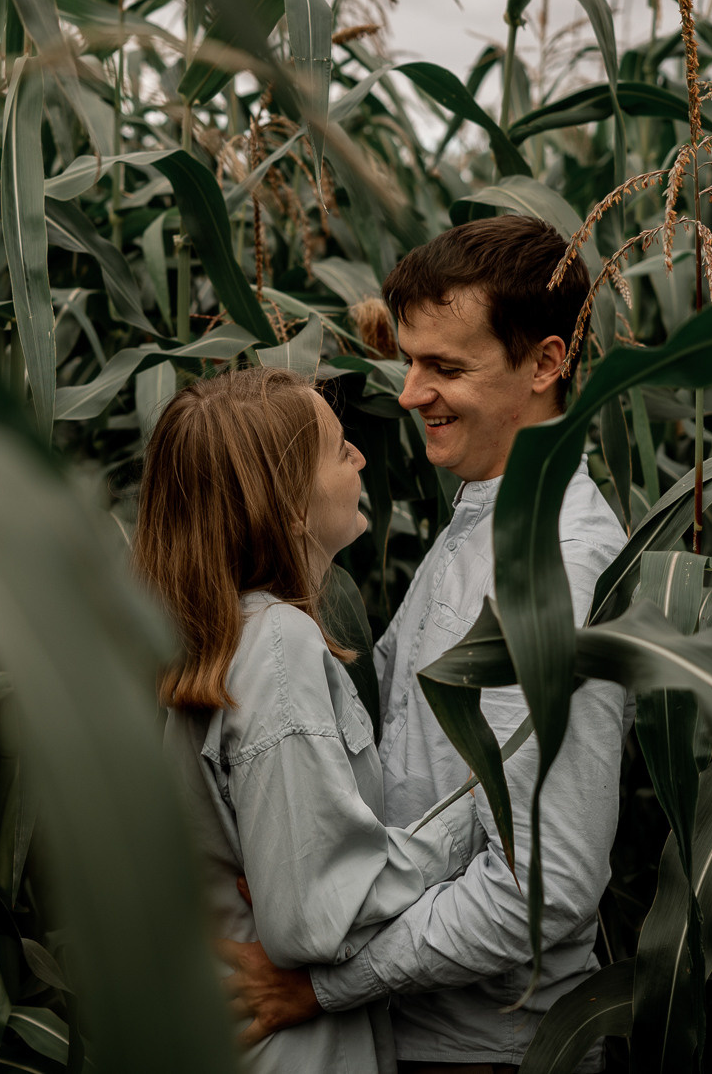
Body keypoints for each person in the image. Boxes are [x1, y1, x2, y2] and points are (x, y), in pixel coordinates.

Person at [220, 215, 628, 1074]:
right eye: (410, 360)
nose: (408, 393)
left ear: (548, 364)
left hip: (492, 1049)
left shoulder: (548, 571)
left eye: (445, 367)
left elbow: (540, 887)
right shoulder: (480, 521)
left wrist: (325, 985)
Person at [142, 367, 482, 1074]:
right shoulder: (275, 645)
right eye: (337, 449)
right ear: (289, 505)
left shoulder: (207, 638)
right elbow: (316, 914)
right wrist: (474, 815)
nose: (360, 456)